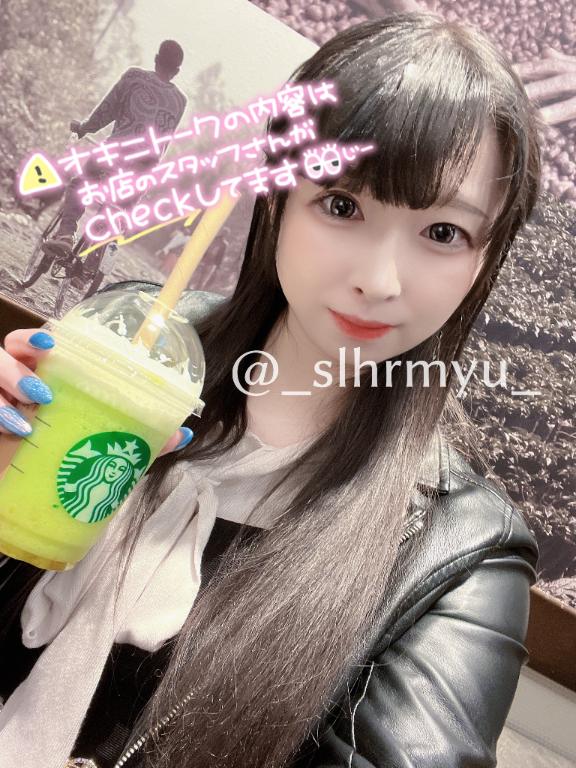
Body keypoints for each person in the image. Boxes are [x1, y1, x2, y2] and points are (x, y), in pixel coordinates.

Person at [0, 12, 542, 768]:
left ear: (485, 260)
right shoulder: (132, 350)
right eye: (343, 205)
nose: (379, 281)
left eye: (444, 233)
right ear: (278, 199)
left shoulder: (461, 560)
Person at [42, 39, 187, 260]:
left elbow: (106, 110)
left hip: (115, 153)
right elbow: (164, 141)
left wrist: (84, 128)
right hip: (146, 166)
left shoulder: (134, 77)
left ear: (156, 59)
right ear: (176, 71)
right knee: (119, 209)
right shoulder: (180, 101)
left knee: (80, 184)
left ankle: (66, 235)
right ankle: (94, 261)